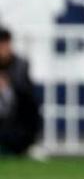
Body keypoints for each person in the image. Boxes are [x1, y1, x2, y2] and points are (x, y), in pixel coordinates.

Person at [0, 26, 41, 155]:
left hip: (15, 124)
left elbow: (27, 100)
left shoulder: (21, 65)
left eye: (5, 43)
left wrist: (8, 88)